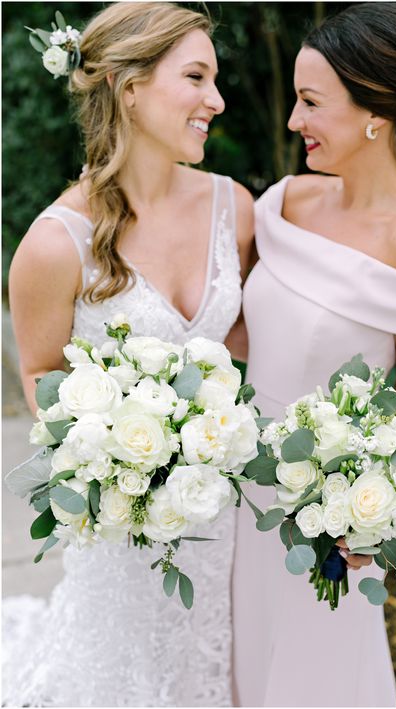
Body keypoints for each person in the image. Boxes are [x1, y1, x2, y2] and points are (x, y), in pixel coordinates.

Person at [4, 3, 253, 706]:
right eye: (198, 77)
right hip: (124, 533)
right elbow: (44, 394)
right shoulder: (54, 248)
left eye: (217, 78)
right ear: (129, 87)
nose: (218, 100)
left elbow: (242, 364)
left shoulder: (236, 211)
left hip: (221, 520)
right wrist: (127, 465)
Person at [233, 3, 396, 706]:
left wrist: (369, 519)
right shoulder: (287, 203)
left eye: (311, 102)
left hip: (317, 528)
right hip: (231, 495)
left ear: (376, 112)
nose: (293, 121)